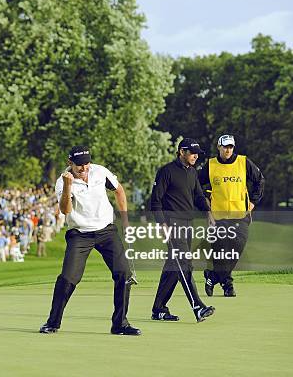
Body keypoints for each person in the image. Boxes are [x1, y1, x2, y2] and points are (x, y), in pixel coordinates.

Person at [40, 145, 140, 335]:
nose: (84, 168)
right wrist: (69, 186)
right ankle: (53, 322)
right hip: (80, 234)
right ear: (70, 163)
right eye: (79, 165)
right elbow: (65, 210)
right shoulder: (62, 182)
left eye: (86, 163)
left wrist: (125, 220)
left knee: (124, 274)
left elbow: (119, 191)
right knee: (68, 278)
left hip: (106, 231)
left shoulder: (100, 172)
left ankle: (120, 324)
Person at [149, 138, 216, 323]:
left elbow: (199, 196)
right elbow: (155, 201)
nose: (195, 156)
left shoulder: (192, 173)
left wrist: (208, 213)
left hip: (187, 224)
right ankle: (198, 307)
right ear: (181, 152)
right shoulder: (166, 172)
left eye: (197, 153)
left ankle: (159, 309)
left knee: (173, 267)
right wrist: (162, 224)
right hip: (172, 223)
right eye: (192, 152)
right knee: (184, 264)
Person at [198, 134, 265, 297]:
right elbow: (196, 185)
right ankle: (228, 286)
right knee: (220, 253)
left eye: (231, 147)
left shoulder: (243, 162)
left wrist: (253, 202)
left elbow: (260, 180)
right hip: (217, 216)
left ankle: (213, 276)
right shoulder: (211, 165)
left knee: (235, 251)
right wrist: (207, 202)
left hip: (240, 215)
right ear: (219, 147)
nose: (228, 150)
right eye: (225, 146)